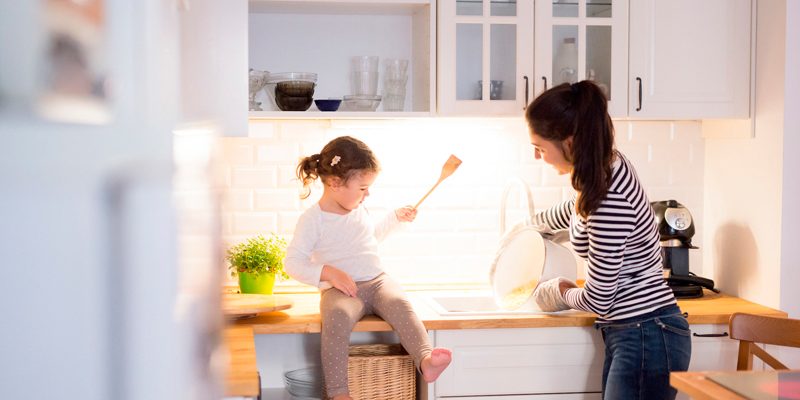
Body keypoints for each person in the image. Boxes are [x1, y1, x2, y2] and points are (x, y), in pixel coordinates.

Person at [526, 81, 691, 400]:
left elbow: (599, 298)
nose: (537, 156)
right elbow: (575, 211)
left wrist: (559, 292)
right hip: (638, 333)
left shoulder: (608, 198)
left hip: (647, 335)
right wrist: (530, 226)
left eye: (541, 147)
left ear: (569, 142)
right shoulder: (600, 169)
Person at [284, 136, 452, 400]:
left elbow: (369, 238)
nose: (367, 194)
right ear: (334, 183)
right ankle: (339, 393)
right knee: (336, 318)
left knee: (401, 304)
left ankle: (426, 361)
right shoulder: (313, 220)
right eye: (362, 188)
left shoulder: (359, 208)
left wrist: (395, 218)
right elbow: (292, 263)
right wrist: (328, 273)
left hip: (377, 281)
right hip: (341, 290)